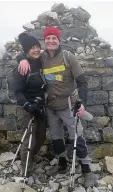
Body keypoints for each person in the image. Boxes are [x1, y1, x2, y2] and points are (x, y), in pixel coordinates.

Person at [17, 27, 95, 188]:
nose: (51, 41)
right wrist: (21, 59)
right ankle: (62, 163)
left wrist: (83, 103)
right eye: (48, 38)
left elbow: (82, 82)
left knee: (76, 136)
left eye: (54, 38)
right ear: (44, 41)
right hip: (51, 105)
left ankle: (87, 170)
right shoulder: (42, 57)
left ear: (58, 40)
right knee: (56, 136)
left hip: (68, 104)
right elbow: (27, 54)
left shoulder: (68, 57)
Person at [13, 32, 47, 175]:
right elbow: (17, 92)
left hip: (40, 106)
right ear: (27, 50)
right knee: (28, 138)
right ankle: (25, 167)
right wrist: (27, 106)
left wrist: (21, 57)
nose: (36, 50)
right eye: (32, 48)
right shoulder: (22, 68)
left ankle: (31, 156)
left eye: (37, 47)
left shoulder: (41, 61)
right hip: (26, 106)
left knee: (41, 136)